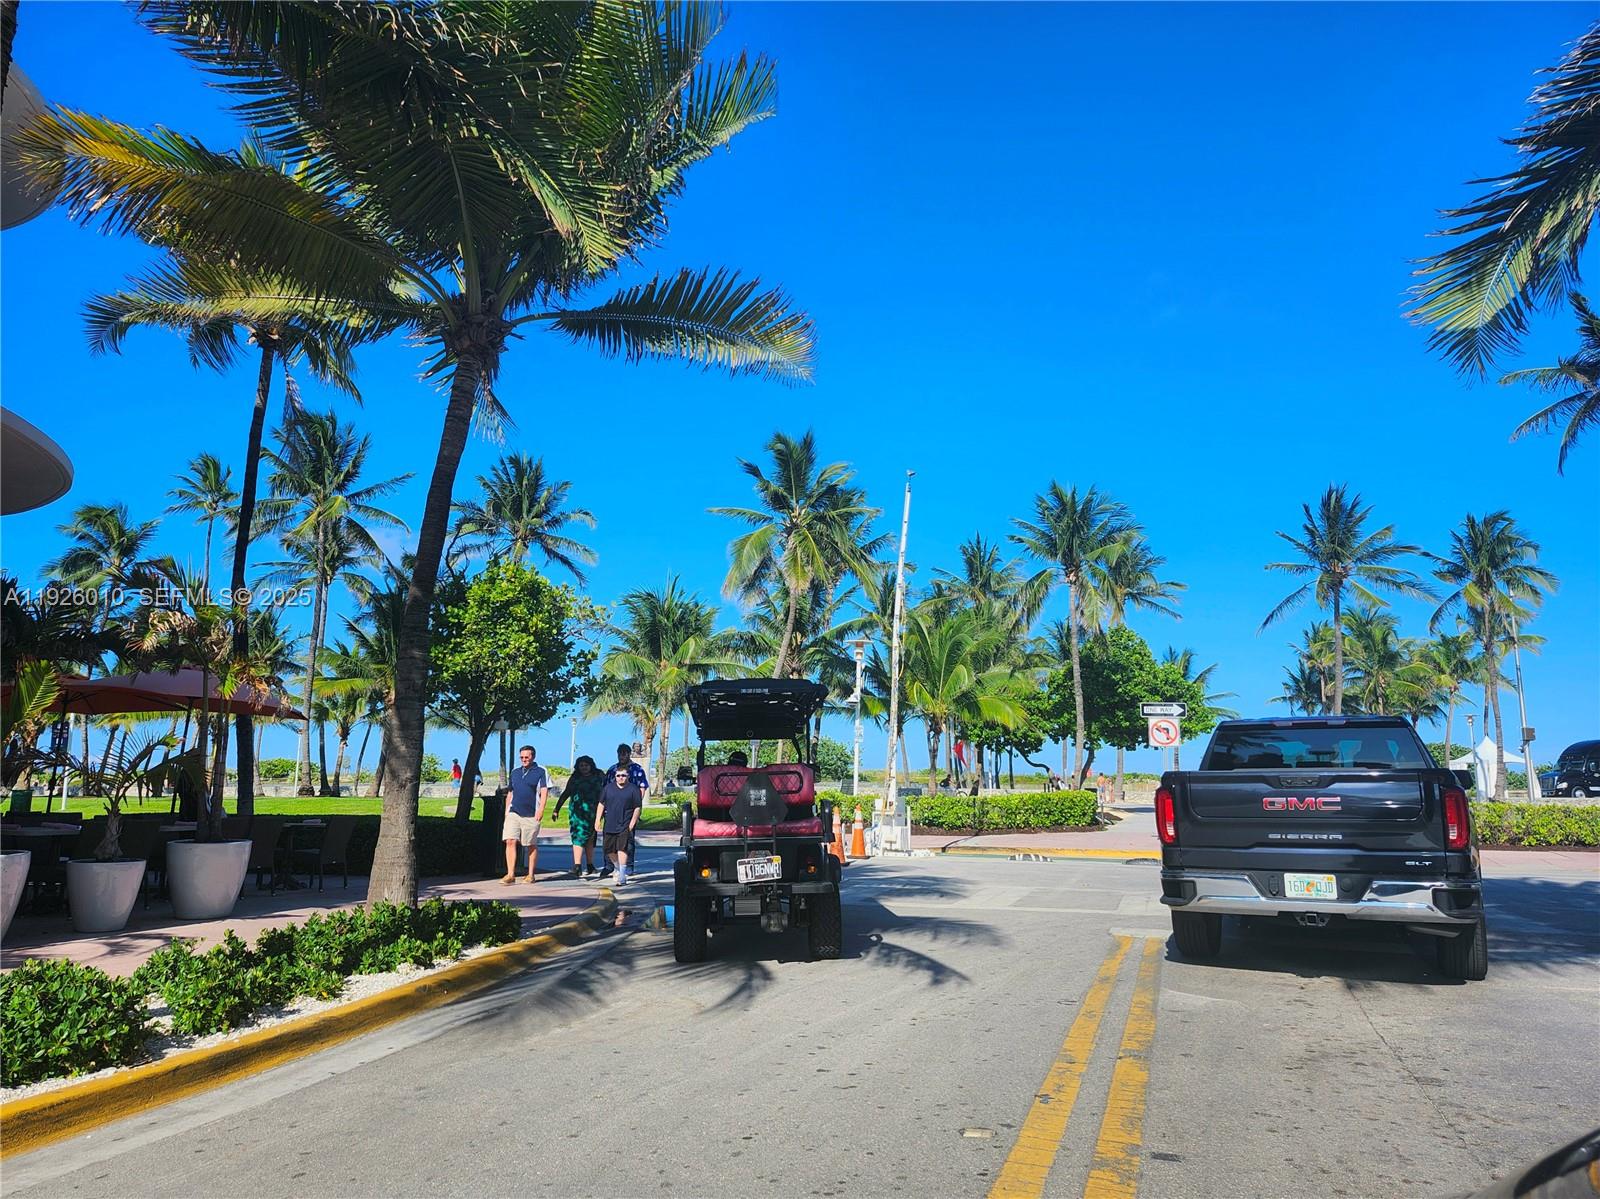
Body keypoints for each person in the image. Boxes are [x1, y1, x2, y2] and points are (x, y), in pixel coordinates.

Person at [501, 745, 548, 885]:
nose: (524, 759)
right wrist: (506, 810)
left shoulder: (541, 771)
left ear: (533, 757)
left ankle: (531, 874)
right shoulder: (515, 772)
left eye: (526, 757)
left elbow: (544, 792)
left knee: (530, 844)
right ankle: (510, 874)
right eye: (521, 757)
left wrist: (541, 810)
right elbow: (510, 792)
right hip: (514, 812)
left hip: (531, 813)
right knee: (510, 840)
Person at [604, 742, 650, 877]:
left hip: (629, 809)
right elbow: (606, 789)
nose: (622, 756)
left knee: (628, 840)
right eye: (620, 753)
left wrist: (637, 804)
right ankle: (611, 866)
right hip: (612, 810)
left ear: (629, 754)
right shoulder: (613, 769)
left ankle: (628, 866)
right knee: (609, 841)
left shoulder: (637, 769)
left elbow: (642, 787)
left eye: (624, 753)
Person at [554, 755, 604, 879]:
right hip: (577, 813)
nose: (584, 768)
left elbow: (606, 792)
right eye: (581, 765)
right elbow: (566, 793)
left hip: (593, 812)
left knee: (590, 838)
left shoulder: (599, 776)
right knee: (578, 837)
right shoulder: (575, 777)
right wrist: (556, 809)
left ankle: (590, 864)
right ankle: (577, 865)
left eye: (586, 765)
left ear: (591, 765)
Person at [598, 764, 644, 887]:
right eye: (618, 776)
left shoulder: (633, 789)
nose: (621, 778)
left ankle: (622, 875)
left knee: (622, 848)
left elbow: (637, 807)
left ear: (627, 776)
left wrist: (632, 822)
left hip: (625, 823)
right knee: (608, 849)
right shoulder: (608, 788)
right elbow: (601, 804)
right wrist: (597, 820)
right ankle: (617, 867)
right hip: (610, 823)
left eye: (623, 775)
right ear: (615, 776)